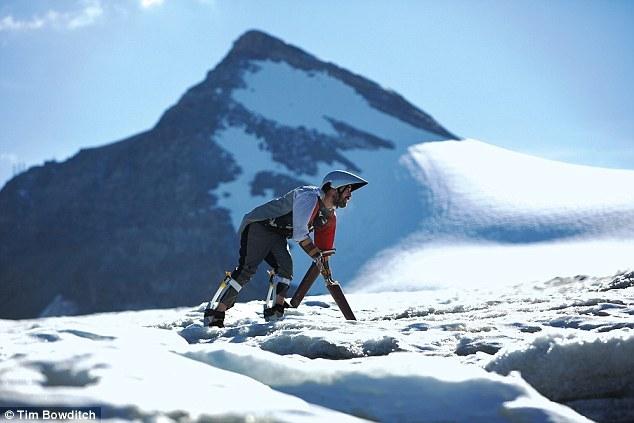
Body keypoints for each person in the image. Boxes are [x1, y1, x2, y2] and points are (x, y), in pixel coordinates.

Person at [203, 170, 368, 327]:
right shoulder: (308, 197)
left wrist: (325, 269)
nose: (350, 195)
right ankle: (215, 313)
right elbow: (300, 234)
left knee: (285, 269)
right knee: (247, 270)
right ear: (334, 189)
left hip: (277, 234)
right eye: (347, 189)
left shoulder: (329, 216)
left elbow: (324, 252)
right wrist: (317, 257)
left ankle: (276, 312)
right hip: (259, 225)